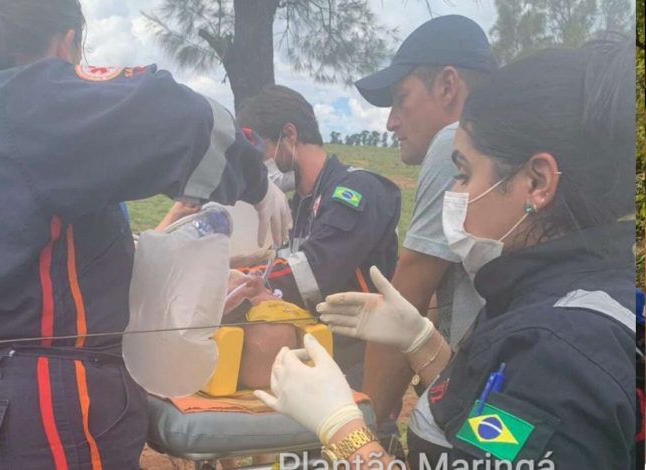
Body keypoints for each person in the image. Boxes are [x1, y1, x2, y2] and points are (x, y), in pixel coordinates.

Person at [0, 0, 291, 468]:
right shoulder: (22, 98)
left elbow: (33, 261)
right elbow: (175, 113)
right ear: (67, 42)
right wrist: (255, 178)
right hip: (42, 407)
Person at [256, 36, 636, 468]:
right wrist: (424, 344)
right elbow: (498, 433)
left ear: (537, 183)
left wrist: (341, 429)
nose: (453, 193)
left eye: (463, 173)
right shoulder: (558, 301)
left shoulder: (559, 351)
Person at [353, 15, 496, 423]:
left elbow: (407, 296)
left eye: (401, 98)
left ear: (448, 86)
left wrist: (367, 427)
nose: (390, 122)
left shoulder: (455, 139)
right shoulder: (515, 140)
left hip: (478, 397)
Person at [237, 85, 401, 389]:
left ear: (289, 135)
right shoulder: (296, 204)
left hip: (359, 363)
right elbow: (276, 262)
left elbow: (314, 272)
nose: (257, 165)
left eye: (259, 152)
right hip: (315, 355)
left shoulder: (356, 190)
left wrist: (240, 281)